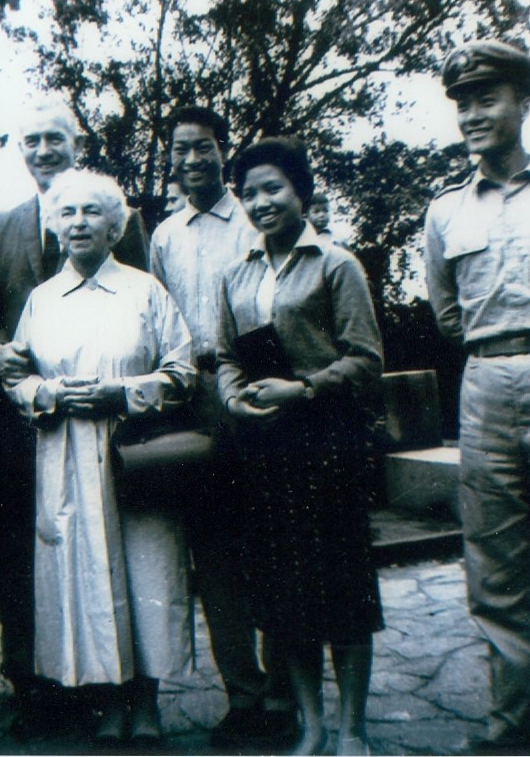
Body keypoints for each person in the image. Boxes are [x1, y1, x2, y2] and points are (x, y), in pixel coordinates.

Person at [0, 98, 150, 734]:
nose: (44, 150)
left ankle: (119, 687)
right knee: (35, 553)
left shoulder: (116, 213)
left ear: (77, 144)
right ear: (21, 151)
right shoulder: (3, 225)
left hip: (108, 420)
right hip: (34, 419)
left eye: (56, 139)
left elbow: (144, 299)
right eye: (33, 141)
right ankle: (38, 686)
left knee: (110, 553)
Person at [6, 168, 195, 746]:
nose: (80, 222)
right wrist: (45, 393)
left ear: (114, 228)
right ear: (55, 227)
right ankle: (107, 700)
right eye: (68, 213)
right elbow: (18, 378)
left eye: (93, 213)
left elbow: (183, 372)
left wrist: (125, 393)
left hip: (132, 453)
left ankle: (147, 703)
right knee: (84, 579)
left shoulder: (145, 291)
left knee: (146, 570)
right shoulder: (41, 299)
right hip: (63, 454)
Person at [219, 137, 384, 756]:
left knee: (342, 593)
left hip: (327, 442)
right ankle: (312, 726)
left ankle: (352, 730)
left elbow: (366, 359)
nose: (261, 203)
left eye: (273, 189)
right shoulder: (235, 274)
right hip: (266, 450)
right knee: (288, 597)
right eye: (249, 193)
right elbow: (225, 357)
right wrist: (234, 397)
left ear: (302, 193)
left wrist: (302, 388)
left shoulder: (334, 264)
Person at [149, 106, 297, 748]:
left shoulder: (254, 216)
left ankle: (289, 692)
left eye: (203, 148)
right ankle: (244, 693)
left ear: (221, 151)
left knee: (272, 541)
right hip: (192, 397)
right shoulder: (164, 235)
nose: (191, 162)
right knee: (213, 557)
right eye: (180, 150)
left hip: (257, 387)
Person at [424, 40, 530, 755]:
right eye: (463, 103)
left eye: (487, 98)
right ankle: (513, 733)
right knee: (496, 571)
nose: (473, 114)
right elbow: (447, 315)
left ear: (524, 102)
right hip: (485, 386)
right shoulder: (444, 213)